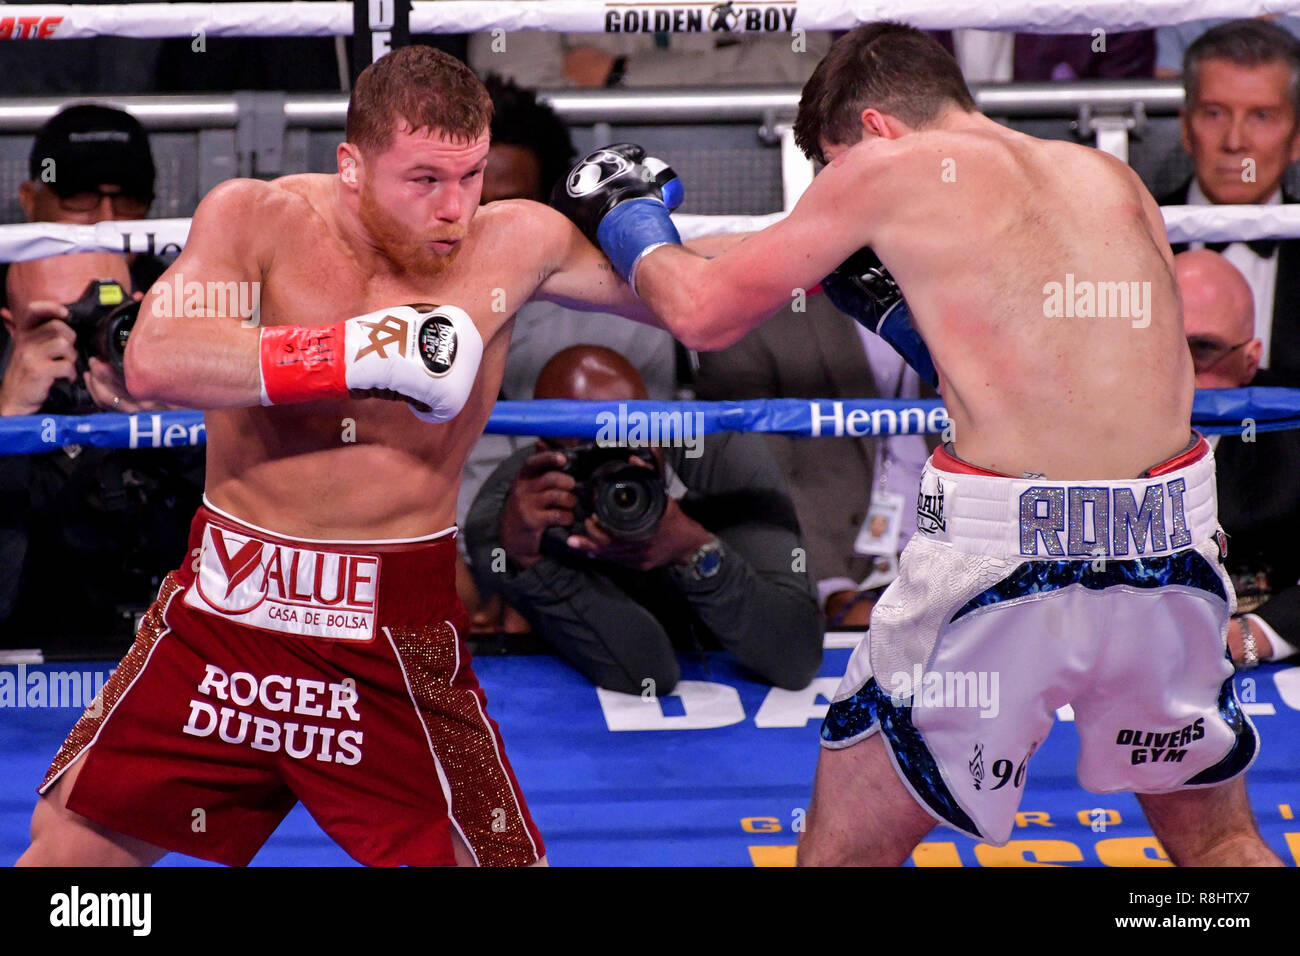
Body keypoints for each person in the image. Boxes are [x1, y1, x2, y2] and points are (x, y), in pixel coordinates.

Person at [552, 21, 1280, 865]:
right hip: (1169, 546)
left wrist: (629, 218)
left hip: (1007, 554)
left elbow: (703, 312)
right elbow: (1086, 364)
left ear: (873, 131)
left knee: (840, 858)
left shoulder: (888, 168)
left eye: (832, 165)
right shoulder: (1107, 178)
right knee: (1221, 843)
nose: (837, 189)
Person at [17, 45, 669, 868]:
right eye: (425, 179)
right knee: (71, 857)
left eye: (469, 177)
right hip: (229, 611)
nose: (455, 208)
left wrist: (647, 230)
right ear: (352, 166)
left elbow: (699, 309)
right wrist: (355, 353)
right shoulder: (257, 217)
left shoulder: (518, 242)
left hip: (392, 630)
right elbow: (155, 357)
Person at [465, 345, 822, 695]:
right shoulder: (516, 514)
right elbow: (649, 673)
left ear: (657, 422)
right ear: (550, 454)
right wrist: (531, 563)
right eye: (593, 453)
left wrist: (695, 550)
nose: (618, 470)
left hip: (725, 661)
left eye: (633, 438)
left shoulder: (720, 452)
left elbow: (795, 657)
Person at [0, 253, 198, 652]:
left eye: (109, 315)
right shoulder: (8, 424)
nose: (93, 338)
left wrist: (176, 431)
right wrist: (10, 423)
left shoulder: (194, 412)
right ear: (14, 328)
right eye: (69, 321)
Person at [1175, 249, 1300, 668]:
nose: (1176, 366)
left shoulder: (1290, 425)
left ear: (1249, 361)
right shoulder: (1082, 430)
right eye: (1160, 341)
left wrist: (1255, 635)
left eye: (1202, 348)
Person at [1159, 19, 1300, 386]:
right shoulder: (1132, 243)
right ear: (1186, 128)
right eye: (1215, 113)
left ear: (1298, 138)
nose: (1235, 142)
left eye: (1262, 116)